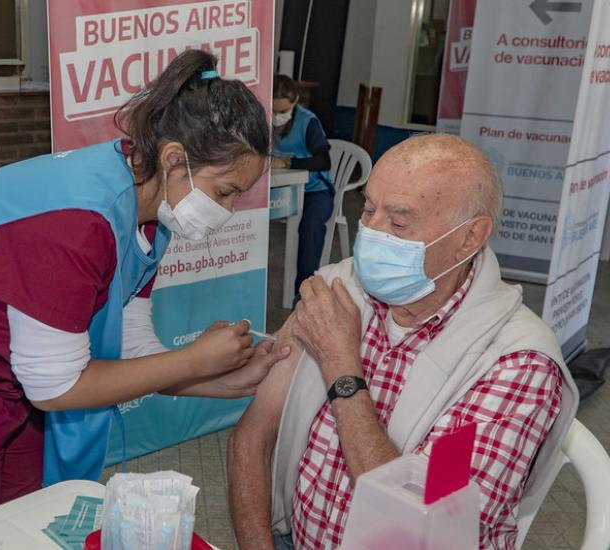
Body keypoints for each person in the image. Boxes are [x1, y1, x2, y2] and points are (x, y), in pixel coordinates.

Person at [0, 49, 289, 545]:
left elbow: (130, 349)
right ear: (175, 159)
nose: (230, 211)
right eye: (224, 192)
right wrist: (195, 361)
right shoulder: (78, 219)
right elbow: (56, 386)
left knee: (26, 526)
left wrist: (223, 379)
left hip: (5, 379)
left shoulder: (150, 214)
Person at [227, 134, 578, 549]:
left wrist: (342, 370)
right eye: (369, 209)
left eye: (398, 222)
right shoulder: (338, 291)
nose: (370, 235)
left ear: (470, 237)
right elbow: (250, 439)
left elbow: (420, 521)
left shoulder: (513, 363)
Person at [271, 75, 334, 298]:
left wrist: (287, 162)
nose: (277, 117)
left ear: (295, 100)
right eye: (274, 111)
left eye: (283, 111)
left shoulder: (308, 122)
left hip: (314, 191)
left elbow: (323, 161)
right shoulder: (262, 119)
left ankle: (303, 292)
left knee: (311, 226)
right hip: (279, 189)